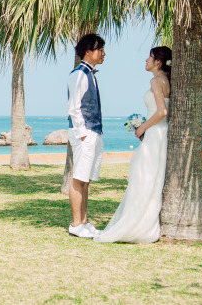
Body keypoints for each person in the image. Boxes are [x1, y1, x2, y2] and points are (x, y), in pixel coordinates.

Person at [94, 46, 172, 244]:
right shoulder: (168, 81)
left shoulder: (155, 81)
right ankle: (145, 222)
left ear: (158, 62)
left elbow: (162, 111)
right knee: (150, 177)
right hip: (162, 134)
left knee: (143, 176)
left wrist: (142, 127)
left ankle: (138, 225)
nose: (146, 60)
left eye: (150, 57)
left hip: (155, 133)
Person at [67, 33, 106, 238]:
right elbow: (74, 107)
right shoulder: (79, 74)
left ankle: (83, 221)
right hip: (85, 133)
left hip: (94, 131)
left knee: (86, 179)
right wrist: (83, 135)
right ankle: (75, 224)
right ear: (88, 51)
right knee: (79, 179)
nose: (103, 53)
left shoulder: (90, 74)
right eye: (100, 49)